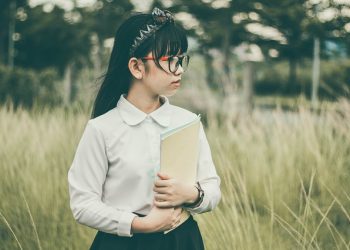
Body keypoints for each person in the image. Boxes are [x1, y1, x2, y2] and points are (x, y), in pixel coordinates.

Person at [67, 7, 221, 250]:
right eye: (169, 61)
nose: (179, 69)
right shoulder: (102, 129)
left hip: (183, 240)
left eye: (181, 60)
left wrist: (191, 195)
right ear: (137, 67)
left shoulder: (188, 122)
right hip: (122, 244)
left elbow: (212, 189)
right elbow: (83, 205)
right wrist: (141, 225)